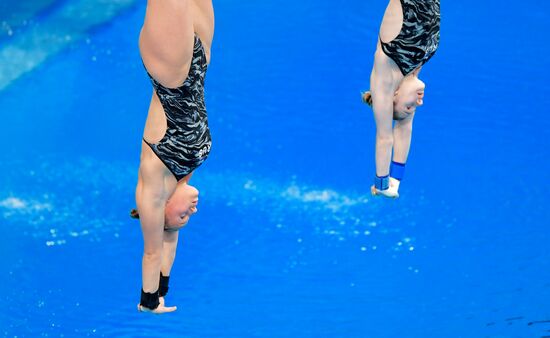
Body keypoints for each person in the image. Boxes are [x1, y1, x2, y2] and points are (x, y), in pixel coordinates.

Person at [134, 0, 214, 313]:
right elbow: (170, 240)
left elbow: (154, 251)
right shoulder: (185, 173)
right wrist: (166, 287)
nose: (192, 211)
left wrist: (151, 301)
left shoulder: (154, 187)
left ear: (164, 209)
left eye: (182, 216)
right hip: (198, 64)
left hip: (170, 71)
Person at [365, 0, 440, 198]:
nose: (418, 103)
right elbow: (405, 129)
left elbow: (385, 137)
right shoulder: (416, 65)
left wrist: (383, 183)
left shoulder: (385, 76)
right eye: (413, 109)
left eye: (408, 107)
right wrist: (396, 181)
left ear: (394, 95)